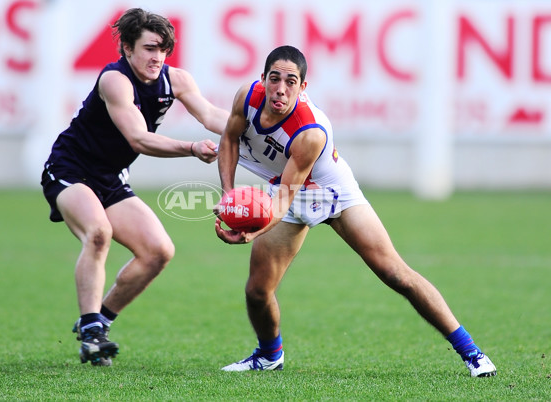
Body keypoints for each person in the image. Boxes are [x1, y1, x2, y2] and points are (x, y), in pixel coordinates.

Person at [214, 45, 496, 377]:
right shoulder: (246, 97)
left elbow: (282, 201)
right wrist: (229, 197)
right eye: (274, 78)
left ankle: (472, 352)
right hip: (286, 191)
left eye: (291, 81)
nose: (281, 88)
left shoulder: (310, 132)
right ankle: (269, 354)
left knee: (396, 274)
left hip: (333, 192)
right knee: (257, 291)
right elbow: (229, 139)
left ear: (303, 88)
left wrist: (251, 229)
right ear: (262, 78)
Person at [41, 8, 229, 366]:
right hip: (70, 168)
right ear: (127, 48)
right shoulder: (115, 80)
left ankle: (99, 324)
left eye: (162, 49)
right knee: (98, 233)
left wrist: (256, 129)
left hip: (110, 177)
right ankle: (91, 330)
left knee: (158, 251)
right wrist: (191, 148)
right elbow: (139, 139)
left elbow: (212, 116)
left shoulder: (177, 80)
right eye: (148, 48)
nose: (157, 56)